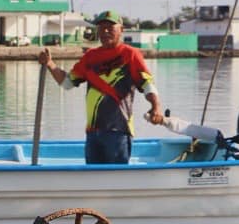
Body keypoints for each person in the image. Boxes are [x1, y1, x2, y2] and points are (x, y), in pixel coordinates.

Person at [38, 9, 164, 164]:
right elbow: (67, 83)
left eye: (110, 28)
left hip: (118, 132)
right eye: (101, 28)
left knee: (116, 175)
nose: (105, 31)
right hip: (93, 133)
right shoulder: (90, 57)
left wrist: (156, 106)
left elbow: (147, 84)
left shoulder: (130, 54)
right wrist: (50, 64)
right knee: (93, 176)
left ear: (121, 30)